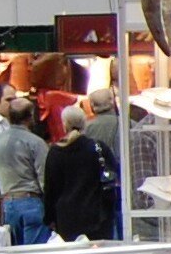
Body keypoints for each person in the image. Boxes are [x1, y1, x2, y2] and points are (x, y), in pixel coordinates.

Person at [44, 103, 119, 241]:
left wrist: (49, 218)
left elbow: (51, 189)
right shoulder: (98, 148)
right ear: (85, 123)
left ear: (64, 124)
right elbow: (114, 175)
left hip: (66, 219)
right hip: (97, 216)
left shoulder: (55, 152)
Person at [0, 88, 50, 244]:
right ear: (30, 117)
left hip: (8, 203)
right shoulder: (35, 142)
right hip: (31, 202)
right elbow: (44, 178)